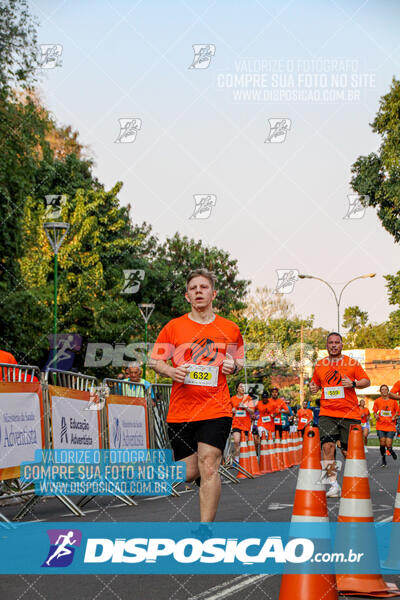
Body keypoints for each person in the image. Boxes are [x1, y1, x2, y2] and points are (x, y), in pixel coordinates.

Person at [150, 268, 244, 522]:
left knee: (210, 463)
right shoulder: (173, 327)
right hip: (182, 410)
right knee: (188, 473)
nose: (199, 292)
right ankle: (202, 476)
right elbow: (154, 360)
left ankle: (205, 531)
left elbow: (240, 360)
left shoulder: (230, 328)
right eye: (194, 289)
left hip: (216, 408)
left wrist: (232, 366)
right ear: (187, 296)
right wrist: (171, 370)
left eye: (204, 288)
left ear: (213, 294)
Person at [310, 332, 370, 498]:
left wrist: (354, 383)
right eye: (331, 342)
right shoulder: (320, 365)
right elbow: (314, 383)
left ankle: (355, 481)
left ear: (342, 345)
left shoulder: (352, 363)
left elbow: (367, 381)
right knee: (327, 447)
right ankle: (333, 485)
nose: (334, 345)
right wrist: (313, 388)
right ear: (327, 345)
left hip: (350, 413)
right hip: (327, 413)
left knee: (347, 451)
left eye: (337, 342)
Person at [373, 385, 399, 467]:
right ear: (380, 391)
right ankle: (383, 460)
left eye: (385, 389)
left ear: (388, 391)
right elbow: (374, 411)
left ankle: (391, 451)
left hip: (390, 425)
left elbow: (397, 412)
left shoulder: (393, 401)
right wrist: (375, 415)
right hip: (380, 425)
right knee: (382, 442)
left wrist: (394, 416)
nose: (384, 391)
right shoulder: (377, 401)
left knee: (388, 444)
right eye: (382, 389)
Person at [231, 382, 255, 461]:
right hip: (236, 423)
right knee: (236, 441)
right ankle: (237, 459)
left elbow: (252, 412)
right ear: (237, 389)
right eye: (241, 387)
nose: (243, 388)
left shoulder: (248, 398)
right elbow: (227, 410)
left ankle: (243, 458)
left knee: (244, 443)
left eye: (244, 387)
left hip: (246, 424)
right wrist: (232, 410)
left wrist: (246, 407)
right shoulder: (233, 399)